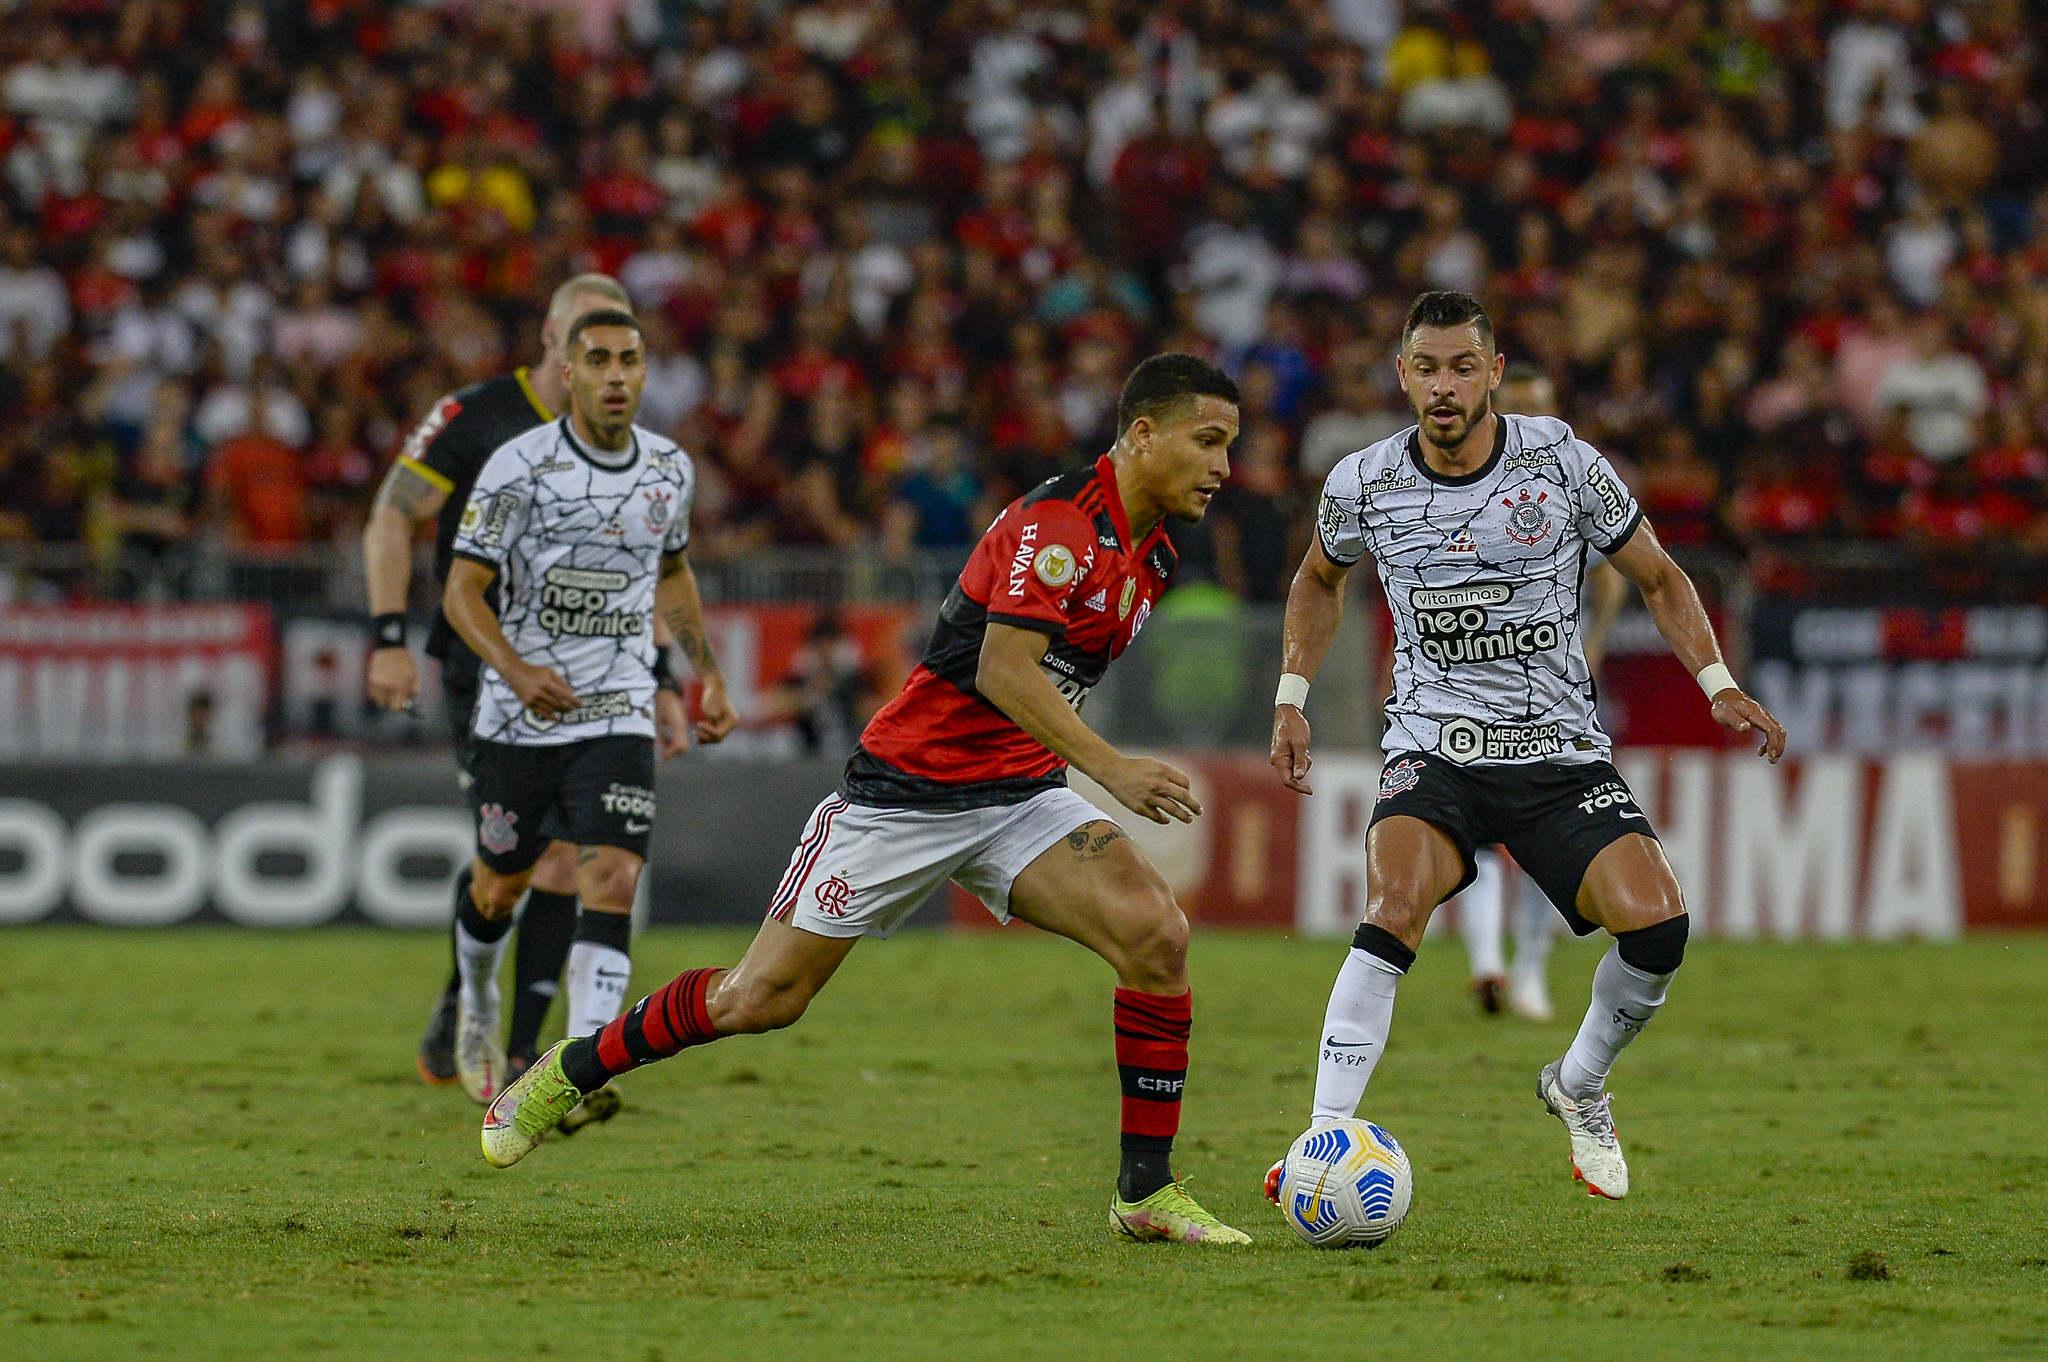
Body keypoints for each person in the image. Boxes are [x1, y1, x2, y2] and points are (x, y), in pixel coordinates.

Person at [480, 354, 1255, 1247]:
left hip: (1017, 795)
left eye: (1230, 447)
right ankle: (571, 1067)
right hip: (906, 795)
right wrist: (1113, 771)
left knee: (1156, 936)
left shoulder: (1152, 551)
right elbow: (1006, 671)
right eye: (1208, 442)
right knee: (757, 1000)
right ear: (1144, 433)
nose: (1223, 468)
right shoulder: (1062, 527)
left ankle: (1145, 1193)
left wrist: (1075, 774)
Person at [1269, 293, 1785, 1199]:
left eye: (1462, 366)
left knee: (1658, 927)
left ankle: (1579, 1084)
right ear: (1403, 376)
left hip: (1557, 751)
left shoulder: (1562, 461)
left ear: (1494, 372)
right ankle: (1322, 1141)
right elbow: (1319, 580)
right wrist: (1291, 696)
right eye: (1426, 368)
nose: (1443, 386)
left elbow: (1659, 577)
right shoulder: (1364, 482)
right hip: (1433, 746)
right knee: (1393, 909)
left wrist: (1719, 683)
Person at [363, 276, 692, 1103]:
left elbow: (641, 573)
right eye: (587, 338)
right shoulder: (479, 420)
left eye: (623, 346)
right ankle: (465, 996)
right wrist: (387, 636)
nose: (606, 360)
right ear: (554, 339)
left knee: (575, 863)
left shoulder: (641, 454)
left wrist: (666, 679)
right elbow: (391, 516)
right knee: (511, 861)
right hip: (487, 669)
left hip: (602, 677)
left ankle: (526, 1061)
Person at [442, 308, 737, 1110]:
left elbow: (671, 572)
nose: (615, 375)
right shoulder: (518, 466)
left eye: (629, 361)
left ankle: (577, 1066)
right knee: (500, 886)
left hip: (616, 706)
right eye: (598, 360)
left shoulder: (669, 468)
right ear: (568, 373)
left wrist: (702, 672)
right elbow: (461, 590)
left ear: (646, 374)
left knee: (608, 874)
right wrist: (513, 665)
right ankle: (476, 1001)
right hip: (520, 712)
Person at [1450, 361, 1631, 1024]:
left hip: (1558, 692)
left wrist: (1597, 642)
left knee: (1544, 837)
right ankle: (1489, 966)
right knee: (1475, 831)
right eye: (1516, 408)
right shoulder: (1461, 483)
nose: (1529, 423)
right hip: (1477, 686)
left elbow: (1613, 574)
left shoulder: (1577, 477)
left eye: (1539, 408)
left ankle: (1524, 970)